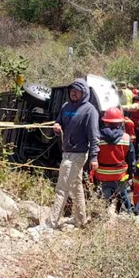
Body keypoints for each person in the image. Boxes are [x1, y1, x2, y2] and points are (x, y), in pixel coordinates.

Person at [44, 79, 100, 229]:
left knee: (62, 188)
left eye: (77, 91)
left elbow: (94, 137)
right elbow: (59, 121)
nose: (73, 93)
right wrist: (57, 126)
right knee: (76, 186)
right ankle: (80, 219)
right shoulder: (65, 106)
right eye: (72, 91)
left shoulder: (90, 111)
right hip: (66, 152)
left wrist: (94, 157)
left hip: (78, 154)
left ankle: (51, 223)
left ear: (84, 93)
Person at [95, 107, 135, 213]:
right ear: (119, 122)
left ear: (105, 122)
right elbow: (131, 159)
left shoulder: (97, 137)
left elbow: (93, 156)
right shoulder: (126, 138)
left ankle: (102, 216)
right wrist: (131, 173)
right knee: (124, 193)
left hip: (102, 174)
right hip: (120, 174)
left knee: (105, 197)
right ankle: (129, 214)